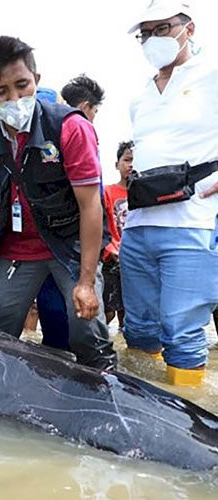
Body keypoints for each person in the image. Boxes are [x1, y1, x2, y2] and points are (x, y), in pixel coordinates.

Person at [0, 35, 117, 371]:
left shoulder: (70, 128)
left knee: (86, 329)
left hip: (70, 244)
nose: (14, 98)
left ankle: (106, 384)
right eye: (1, 91)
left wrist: (86, 281)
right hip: (17, 247)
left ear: (36, 79)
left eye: (22, 85)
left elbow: (91, 206)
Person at [122, 1, 218, 385]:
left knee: (183, 333)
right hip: (138, 226)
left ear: (188, 29)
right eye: (145, 33)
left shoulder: (211, 74)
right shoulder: (140, 97)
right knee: (140, 330)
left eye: (162, 28)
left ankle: (193, 420)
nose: (152, 39)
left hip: (190, 225)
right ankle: (145, 405)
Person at [102, 141, 133, 326]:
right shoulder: (107, 191)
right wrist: (109, 247)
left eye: (135, 161)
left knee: (129, 314)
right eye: (127, 160)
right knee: (107, 312)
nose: (131, 165)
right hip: (111, 259)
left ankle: (127, 352)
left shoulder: (147, 193)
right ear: (117, 164)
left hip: (137, 259)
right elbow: (100, 223)